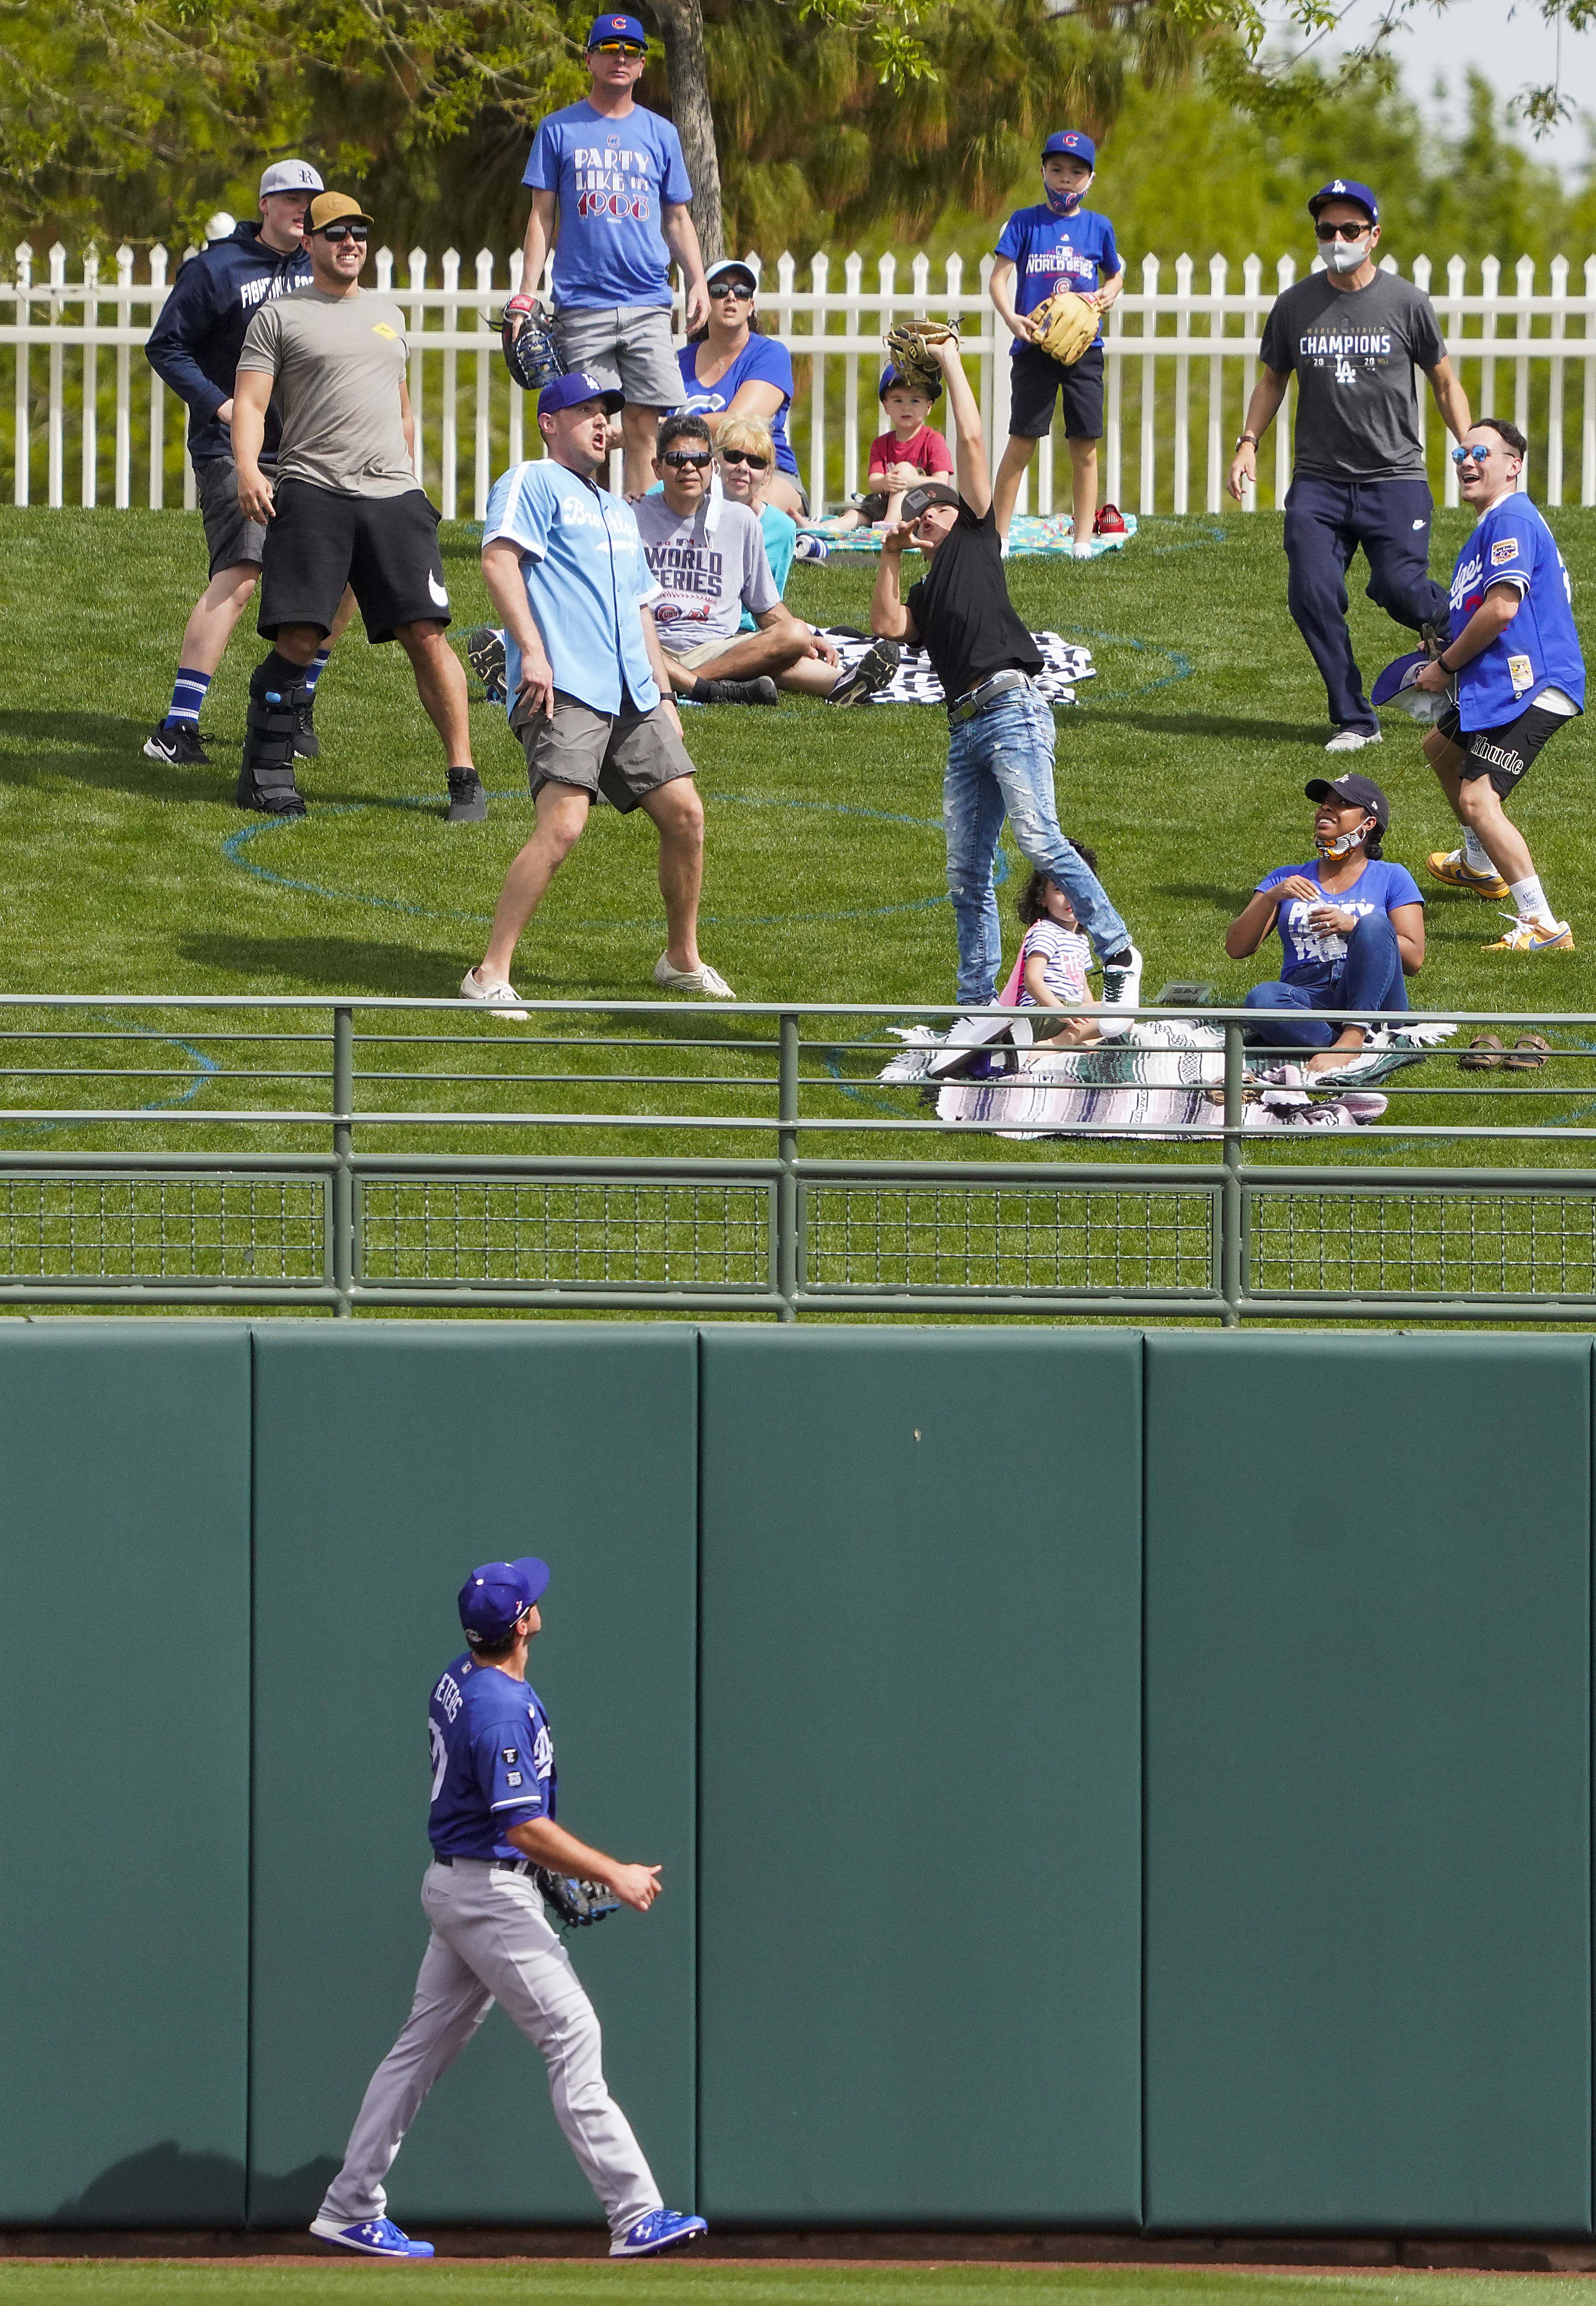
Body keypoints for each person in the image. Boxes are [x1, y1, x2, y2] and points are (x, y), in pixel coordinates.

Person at [310, 1554, 707, 2264]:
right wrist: (611, 1872)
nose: (537, 1604)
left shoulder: (462, 1676)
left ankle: (348, 2205)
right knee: (573, 2035)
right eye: (530, 1602)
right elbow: (522, 1825)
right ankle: (635, 2211)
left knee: (417, 2052)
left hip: (467, 1882)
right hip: (487, 1893)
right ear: (522, 1623)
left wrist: (538, 1870)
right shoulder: (496, 1706)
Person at [865, 331, 1142, 1014]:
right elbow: (888, 627)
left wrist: (953, 362)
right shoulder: (928, 583)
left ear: (953, 512)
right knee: (965, 875)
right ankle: (977, 1008)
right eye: (914, 513)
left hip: (1011, 707)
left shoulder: (976, 535)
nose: (922, 516)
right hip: (964, 731)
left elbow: (971, 441)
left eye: (931, 508)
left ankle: (1118, 951)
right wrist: (892, 554)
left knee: (1039, 838)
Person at [462, 372, 734, 1012]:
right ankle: (488, 973)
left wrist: (664, 692)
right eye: (584, 411)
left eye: (606, 414)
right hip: (566, 685)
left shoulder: (616, 508)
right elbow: (498, 561)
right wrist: (530, 651)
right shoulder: (531, 481)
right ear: (549, 422)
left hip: (634, 693)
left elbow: (640, 606)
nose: (602, 423)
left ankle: (680, 958)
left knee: (686, 816)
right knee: (563, 826)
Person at [231, 193, 481, 821]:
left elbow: (400, 408)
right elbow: (253, 406)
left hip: (392, 496)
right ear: (309, 243)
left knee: (425, 633)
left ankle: (464, 777)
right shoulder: (279, 316)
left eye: (361, 234)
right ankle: (267, 770)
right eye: (337, 233)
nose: (351, 243)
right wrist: (245, 471)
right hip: (314, 487)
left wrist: (413, 481)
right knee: (300, 633)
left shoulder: (387, 313)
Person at [1226, 178, 1471, 753]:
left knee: (1400, 589)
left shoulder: (1406, 302)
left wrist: (1468, 444)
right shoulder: (1294, 306)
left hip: (1395, 478)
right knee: (1310, 594)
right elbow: (1271, 379)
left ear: (1374, 235)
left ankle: (1456, 628)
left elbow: (1442, 381)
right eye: (1326, 230)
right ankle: (1355, 718)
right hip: (1319, 482)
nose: (1337, 239)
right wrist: (1246, 443)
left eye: (1349, 230)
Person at [142, 158, 353, 768]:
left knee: (345, 577)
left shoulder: (326, 273)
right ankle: (178, 726)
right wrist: (221, 406)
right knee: (243, 570)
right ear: (264, 205)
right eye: (288, 197)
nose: (300, 207)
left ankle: (298, 697)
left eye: (310, 200)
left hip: (312, 451)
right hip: (235, 450)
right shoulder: (216, 269)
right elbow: (167, 345)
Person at [511, 13, 708, 498]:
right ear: (590, 59)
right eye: (609, 49)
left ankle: (639, 535)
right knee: (585, 425)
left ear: (642, 66)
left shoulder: (660, 133)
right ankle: (586, 531)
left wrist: (697, 281)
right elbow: (541, 216)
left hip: (647, 300)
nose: (620, 58)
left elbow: (678, 218)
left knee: (646, 423)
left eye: (630, 52)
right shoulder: (559, 129)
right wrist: (525, 294)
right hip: (582, 301)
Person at [1413, 418, 1584, 953]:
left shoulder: (1510, 517)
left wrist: (1445, 668)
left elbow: (1503, 609)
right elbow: (1481, 613)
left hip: (1531, 686)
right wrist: (1445, 648)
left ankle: (1543, 924)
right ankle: (1478, 865)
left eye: (1481, 451)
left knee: (1478, 798)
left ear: (1513, 464)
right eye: (1462, 451)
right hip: (1503, 685)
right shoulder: (1490, 526)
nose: (1467, 460)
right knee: (1440, 748)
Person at [633, 415, 898, 706]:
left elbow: (766, 607)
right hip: (651, 643)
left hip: (719, 648)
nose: (689, 467)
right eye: (676, 459)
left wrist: (807, 639)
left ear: (712, 466)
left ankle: (689, 684)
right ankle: (835, 683)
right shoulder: (630, 515)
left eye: (699, 459)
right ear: (657, 468)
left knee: (793, 635)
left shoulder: (742, 521)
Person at [1225, 773, 1425, 1078]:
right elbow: (1236, 947)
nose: (1326, 810)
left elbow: (1413, 959)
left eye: (1342, 804)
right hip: (1308, 993)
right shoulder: (1285, 877)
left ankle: (1355, 1036)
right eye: (1324, 804)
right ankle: (1343, 1042)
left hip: (1376, 994)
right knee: (1261, 999)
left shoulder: (1392, 876)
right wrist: (1273, 897)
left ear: (1368, 824)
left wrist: (1353, 925)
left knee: (1373, 925)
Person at [989, 131, 1124, 558]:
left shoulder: (1098, 226)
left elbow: (1115, 273)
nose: (1066, 179)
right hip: (1034, 345)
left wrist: (1110, 292)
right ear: (1044, 171)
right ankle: (1000, 535)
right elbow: (998, 279)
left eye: (1076, 172)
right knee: (1022, 440)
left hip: (1083, 348)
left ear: (1091, 177)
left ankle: (1082, 540)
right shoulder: (1025, 222)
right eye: (1057, 169)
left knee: (1084, 445)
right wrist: (1011, 318)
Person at [674, 257, 805, 518]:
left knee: (748, 508)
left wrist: (665, 427)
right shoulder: (678, 362)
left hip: (762, 474)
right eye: (720, 291)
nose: (732, 297)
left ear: (751, 306)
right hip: (693, 471)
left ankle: (803, 544)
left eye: (742, 292)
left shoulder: (771, 355)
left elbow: (738, 421)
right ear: (704, 300)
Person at [825, 364, 953, 533]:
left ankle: (888, 526)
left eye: (915, 400)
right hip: (885, 504)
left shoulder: (934, 440)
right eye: (898, 400)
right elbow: (874, 482)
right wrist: (885, 482)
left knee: (904, 469)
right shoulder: (881, 443)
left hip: (924, 507)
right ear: (886, 407)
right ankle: (819, 528)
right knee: (855, 515)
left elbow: (941, 483)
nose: (906, 407)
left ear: (928, 407)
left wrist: (908, 480)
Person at [713, 414, 798, 617]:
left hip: (748, 631)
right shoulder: (689, 505)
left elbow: (771, 602)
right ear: (715, 460)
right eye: (734, 456)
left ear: (768, 475)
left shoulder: (782, 528)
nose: (743, 468)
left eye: (756, 462)